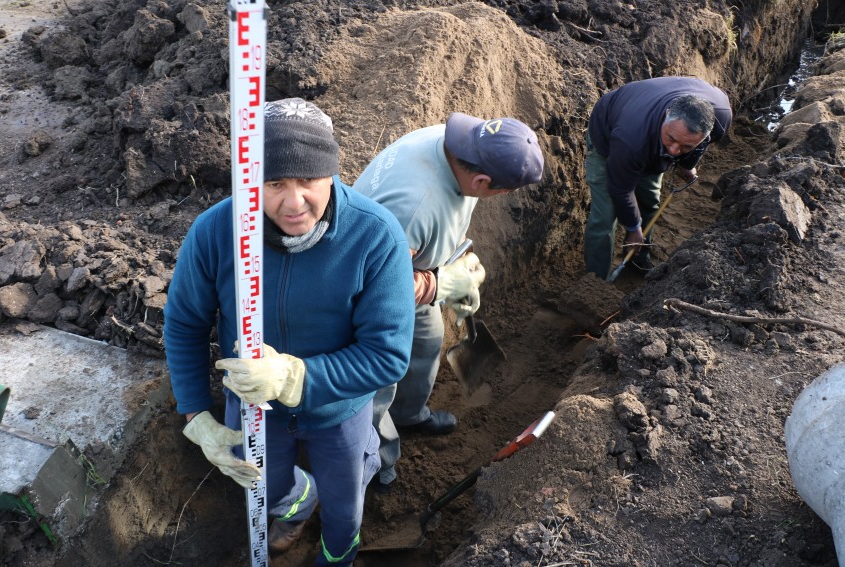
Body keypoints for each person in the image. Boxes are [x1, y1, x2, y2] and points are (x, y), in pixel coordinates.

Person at [163, 98, 415, 566]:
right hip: (255, 406)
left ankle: (335, 556)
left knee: (345, 510)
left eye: (309, 181)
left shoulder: (375, 236)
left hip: (340, 411)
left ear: (332, 174)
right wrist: (195, 412)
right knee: (268, 488)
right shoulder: (216, 232)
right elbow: (184, 323)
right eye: (274, 183)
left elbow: (388, 354)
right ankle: (299, 502)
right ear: (250, 181)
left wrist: (296, 379)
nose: (294, 202)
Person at [352, 112, 545, 494]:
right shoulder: (412, 208)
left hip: (412, 266)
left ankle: (409, 415)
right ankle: (377, 461)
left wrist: (454, 263)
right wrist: (440, 284)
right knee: (377, 385)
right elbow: (369, 289)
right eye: (502, 191)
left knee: (427, 340)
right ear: (482, 181)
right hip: (362, 295)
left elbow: (449, 217)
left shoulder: (461, 146)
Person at [583, 76, 733, 279]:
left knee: (650, 201)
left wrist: (687, 165)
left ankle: (638, 257)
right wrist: (633, 228)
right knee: (605, 216)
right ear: (667, 114)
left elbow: (699, 146)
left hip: (647, 139)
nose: (673, 150)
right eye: (671, 139)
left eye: (686, 146)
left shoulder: (721, 117)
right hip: (609, 133)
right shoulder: (631, 137)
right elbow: (620, 188)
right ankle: (594, 280)